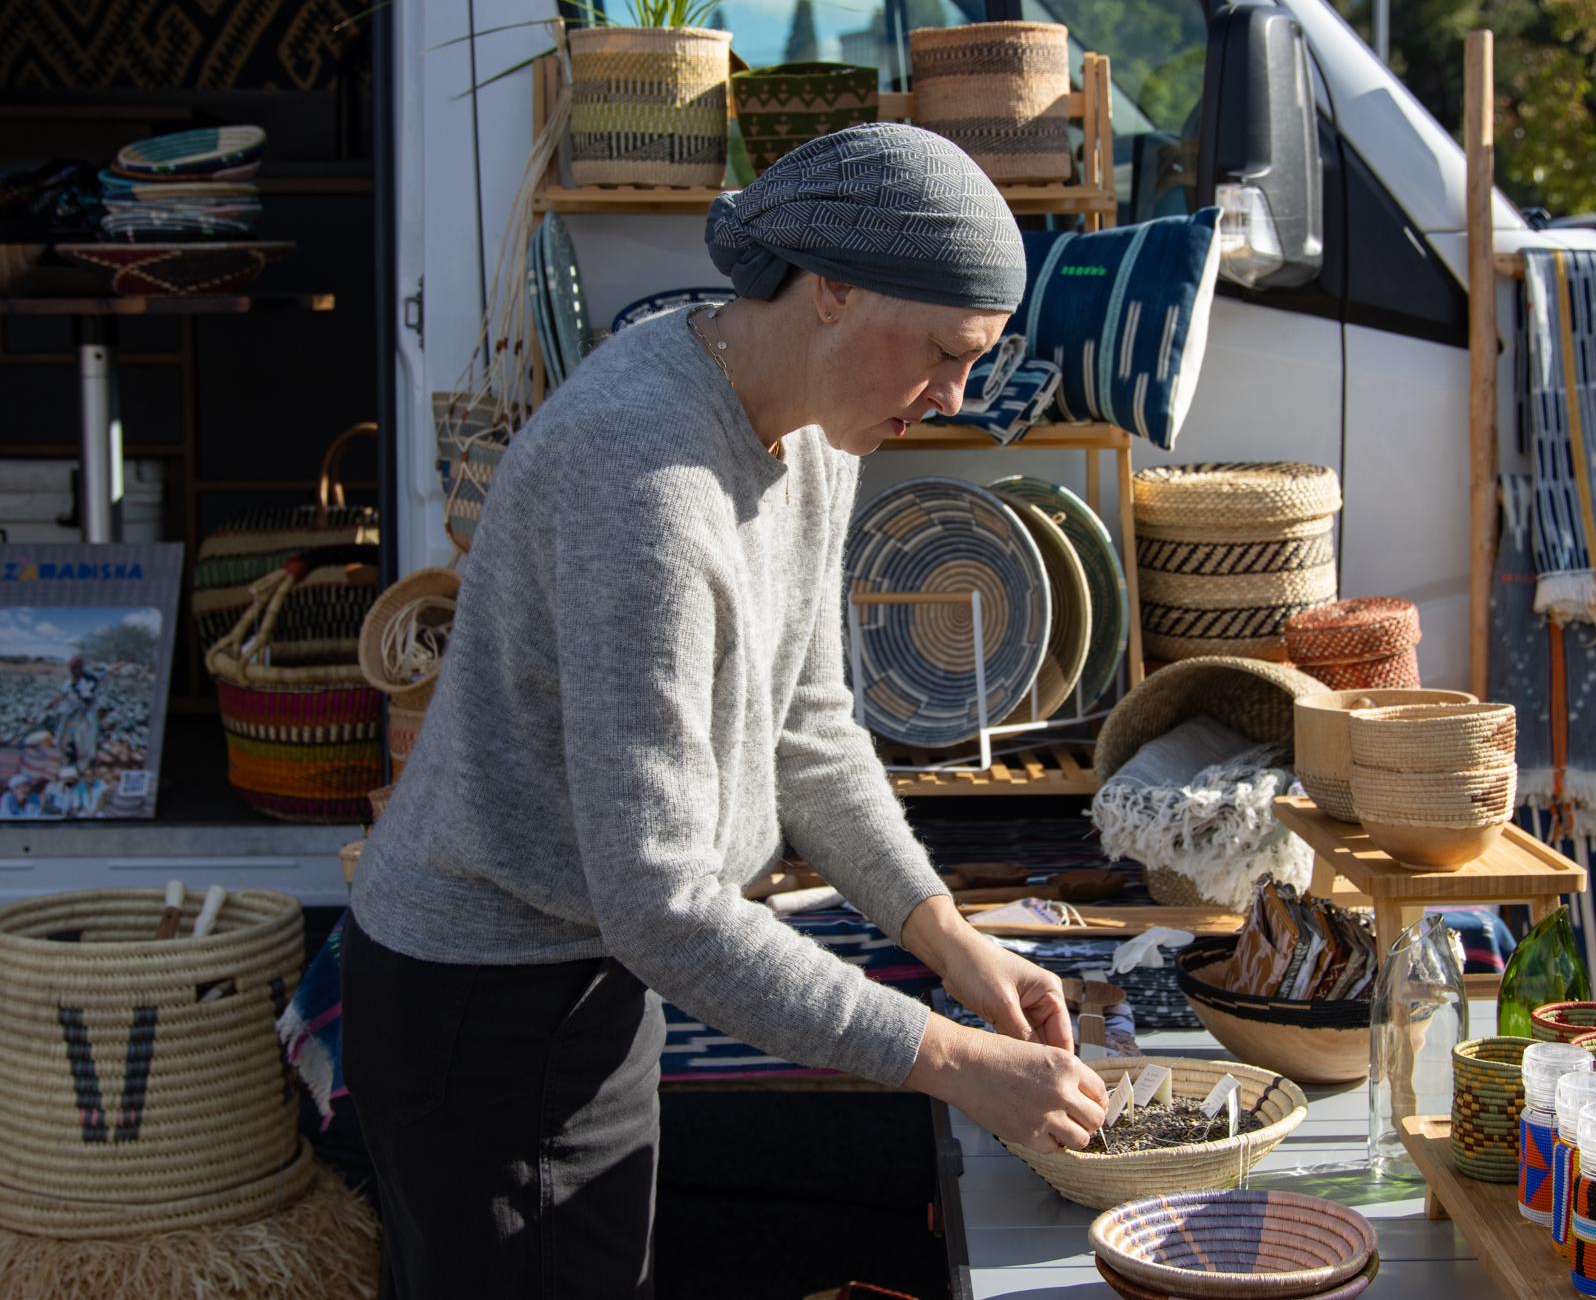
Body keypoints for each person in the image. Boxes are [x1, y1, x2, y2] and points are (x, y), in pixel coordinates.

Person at [344, 126, 1107, 1299]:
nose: (953, 397)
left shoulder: (809, 419)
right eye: (946, 353)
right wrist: (952, 1061)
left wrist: (943, 935)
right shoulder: (644, 485)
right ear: (833, 287)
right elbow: (661, 903)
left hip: (581, 959)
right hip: (485, 1007)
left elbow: (805, 720)